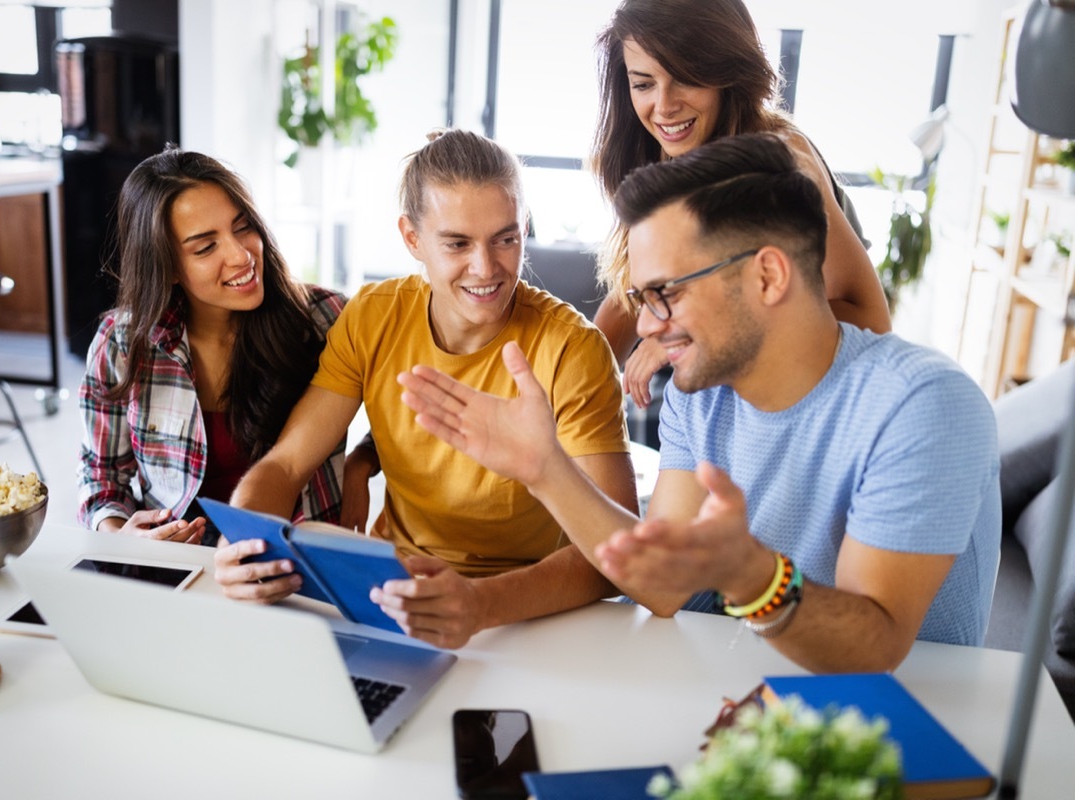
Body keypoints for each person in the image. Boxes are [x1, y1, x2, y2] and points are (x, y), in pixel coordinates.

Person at [398, 133, 999, 673]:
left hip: (905, 726)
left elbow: (875, 649)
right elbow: (661, 588)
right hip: (747, 690)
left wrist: (749, 575)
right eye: (642, 298)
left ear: (767, 276)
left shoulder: (923, 405)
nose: (650, 328)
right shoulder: (700, 396)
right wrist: (543, 467)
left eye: (666, 293)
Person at [217, 129, 637, 649]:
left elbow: (614, 559)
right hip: (393, 594)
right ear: (412, 238)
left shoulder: (572, 348)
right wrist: (244, 543)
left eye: (506, 238)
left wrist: (483, 605)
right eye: (457, 243)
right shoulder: (373, 316)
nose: (486, 268)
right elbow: (285, 464)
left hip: (529, 612)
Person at [590, 0, 891, 408]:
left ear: (727, 70)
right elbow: (631, 297)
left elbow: (871, 321)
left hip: (827, 394)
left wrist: (691, 329)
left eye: (686, 78)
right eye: (643, 84)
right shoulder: (667, 154)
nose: (663, 106)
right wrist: (571, 372)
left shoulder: (783, 156)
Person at [77, 147, 347, 544]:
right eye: (205, 247)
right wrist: (121, 534)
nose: (241, 256)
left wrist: (362, 462)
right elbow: (100, 476)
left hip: (300, 565)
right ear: (165, 267)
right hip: (176, 567)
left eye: (243, 228)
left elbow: (406, 398)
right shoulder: (120, 344)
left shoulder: (326, 319)